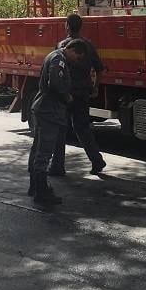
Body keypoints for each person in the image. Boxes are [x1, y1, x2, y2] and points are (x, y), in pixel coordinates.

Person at [26, 39, 88, 205]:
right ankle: (41, 191)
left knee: (37, 148)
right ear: (73, 50)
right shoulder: (58, 59)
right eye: (78, 57)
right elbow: (55, 83)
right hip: (49, 111)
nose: (77, 61)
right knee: (44, 151)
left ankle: (35, 186)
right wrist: (66, 96)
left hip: (43, 109)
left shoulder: (54, 56)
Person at [49, 14, 107, 177]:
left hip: (66, 95)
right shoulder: (88, 45)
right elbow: (99, 69)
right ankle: (97, 160)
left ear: (67, 26)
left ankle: (57, 166)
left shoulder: (62, 46)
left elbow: (56, 71)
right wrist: (95, 87)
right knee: (83, 129)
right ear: (81, 26)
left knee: (61, 129)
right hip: (83, 94)